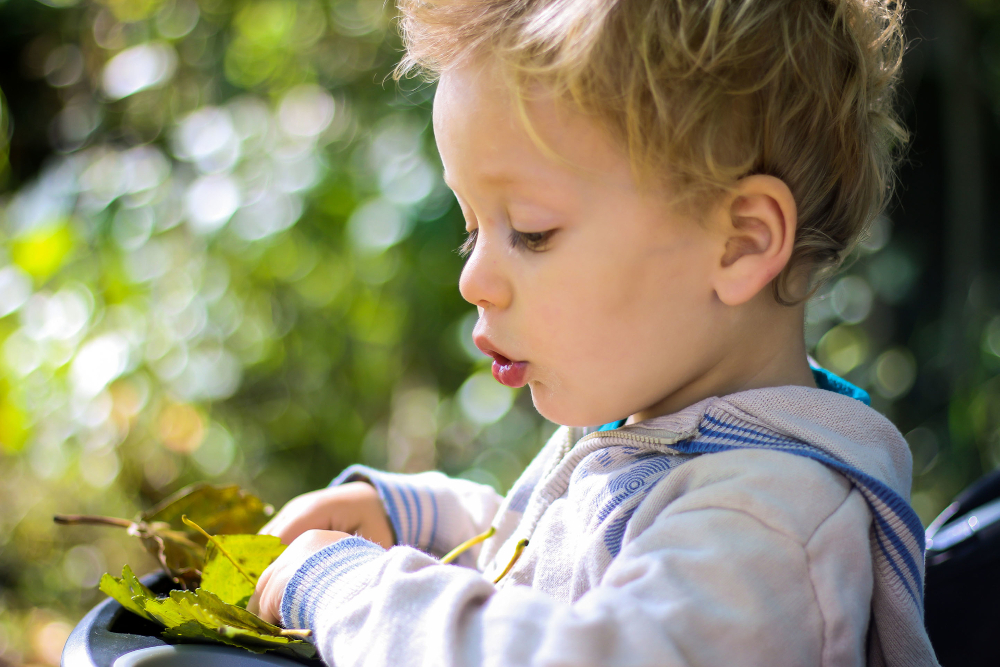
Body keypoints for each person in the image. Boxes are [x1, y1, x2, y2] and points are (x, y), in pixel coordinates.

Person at [247, 0, 939, 664]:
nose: (472, 280)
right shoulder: (660, 431)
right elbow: (553, 561)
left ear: (741, 243)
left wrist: (353, 592)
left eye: (531, 231)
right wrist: (416, 520)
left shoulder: (771, 526)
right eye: (471, 228)